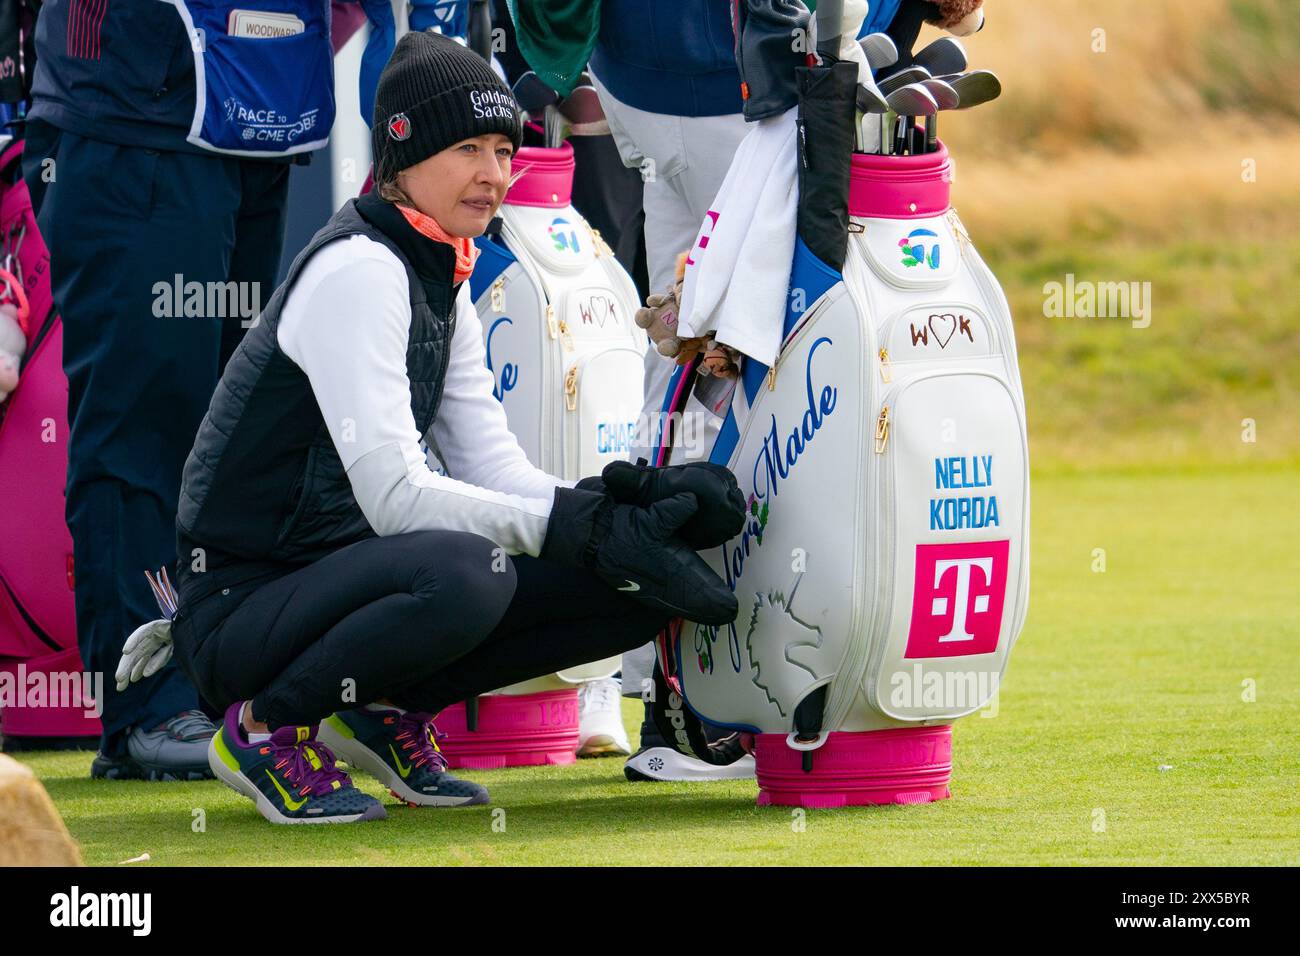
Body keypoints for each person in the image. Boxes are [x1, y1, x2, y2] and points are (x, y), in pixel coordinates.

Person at [168, 31, 743, 825]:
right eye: (466, 147)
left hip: (344, 581)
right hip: (243, 608)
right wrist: (578, 523)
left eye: (504, 149)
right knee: (471, 572)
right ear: (402, 156)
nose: (494, 172)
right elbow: (399, 497)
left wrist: (611, 518)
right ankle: (265, 729)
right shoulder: (361, 268)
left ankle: (379, 708)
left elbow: (494, 469)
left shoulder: (443, 262)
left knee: (639, 581)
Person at [20, 0, 337, 779]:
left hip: (261, 112)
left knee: (230, 440)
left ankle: (212, 685)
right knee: (144, 429)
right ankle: (147, 708)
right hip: (135, 114)